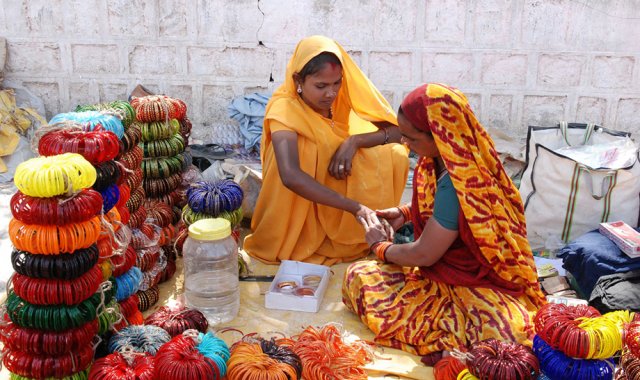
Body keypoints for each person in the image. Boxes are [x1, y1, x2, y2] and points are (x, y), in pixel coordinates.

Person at [342, 83, 546, 364]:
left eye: (412, 139)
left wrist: (380, 246)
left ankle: (454, 349)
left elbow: (425, 254)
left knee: (507, 336)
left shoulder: (458, 180)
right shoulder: (448, 158)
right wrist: (405, 213)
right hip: (446, 269)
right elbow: (446, 214)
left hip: (475, 282)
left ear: (439, 136)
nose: (406, 146)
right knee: (360, 276)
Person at [243, 36, 409, 265]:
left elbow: (401, 133)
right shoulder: (285, 108)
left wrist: (354, 142)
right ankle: (307, 235)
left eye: (336, 83)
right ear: (298, 80)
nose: (330, 93)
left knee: (396, 154)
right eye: (321, 86)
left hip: (331, 190)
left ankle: (355, 232)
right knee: (305, 147)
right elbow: (290, 175)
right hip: (295, 210)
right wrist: (355, 207)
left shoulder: (339, 101)